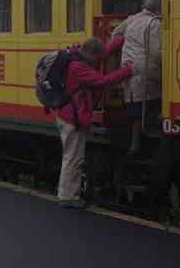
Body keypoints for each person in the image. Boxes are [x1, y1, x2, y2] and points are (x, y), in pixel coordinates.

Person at [56, 36, 133, 208]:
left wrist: (120, 39)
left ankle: (67, 193)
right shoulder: (78, 67)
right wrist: (127, 71)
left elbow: (102, 52)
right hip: (72, 118)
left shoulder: (76, 57)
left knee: (72, 156)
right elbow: (102, 81)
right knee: (73, 158)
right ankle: (67, 196)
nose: (99, 61)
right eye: (97, 58)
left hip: (68, 115)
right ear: (90, 53)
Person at [113, 0, 163, 157]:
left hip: (128, 68)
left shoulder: (132, 19)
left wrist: (128, 50)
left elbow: (115, 34)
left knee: (135, 109)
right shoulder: (154, 23)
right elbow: (157, 52)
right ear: (159, 8)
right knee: (155, 101)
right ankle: (148, 139)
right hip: (147, 71)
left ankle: (134, 145)